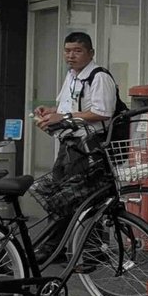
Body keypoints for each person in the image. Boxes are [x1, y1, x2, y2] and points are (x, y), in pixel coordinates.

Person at [28, 32, 119, 222]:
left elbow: (103, 112)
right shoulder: (72, 75)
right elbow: (68, 106)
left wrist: (63, 116)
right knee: (59, 198)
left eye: (77, 51)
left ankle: (68, 248)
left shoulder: (99, 77)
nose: (71, 56)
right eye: (67, 51)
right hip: (70, 145)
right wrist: (51, 111)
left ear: (91, 53)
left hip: (89, 148)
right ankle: (60, 248)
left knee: (78, 200)